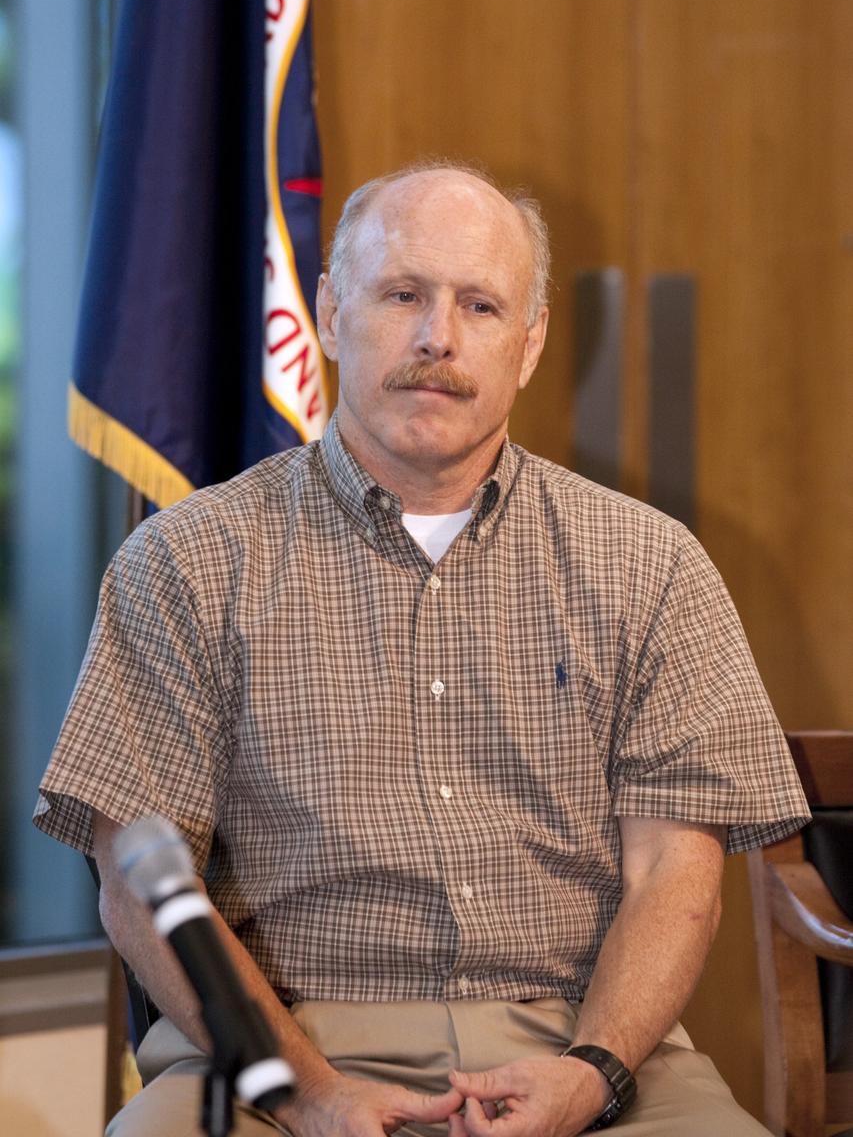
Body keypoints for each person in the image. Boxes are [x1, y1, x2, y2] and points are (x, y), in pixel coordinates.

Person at [36, 162, 810, 1137]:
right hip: (275, 1056)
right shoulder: (184, 565)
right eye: (403, 293)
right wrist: (309, 1089)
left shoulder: (652, 567)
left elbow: (670, 873)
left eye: (480, 305)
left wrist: (592, 1069)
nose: (436, 336)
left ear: (527, 346)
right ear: (326, 309)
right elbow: (144, 884)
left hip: (586, 1048)